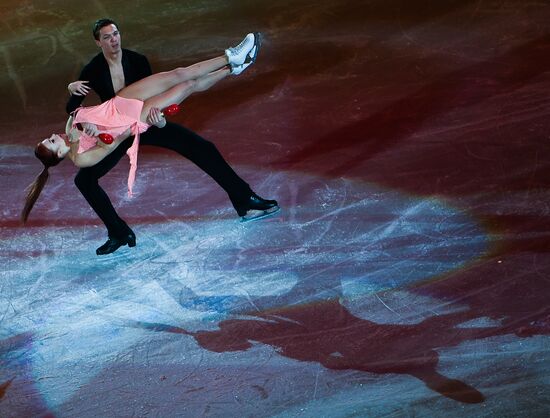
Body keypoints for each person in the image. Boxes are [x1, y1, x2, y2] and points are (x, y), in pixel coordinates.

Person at [25, 19, 279, 255]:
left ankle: (244, 199)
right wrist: (74, 93)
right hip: (122, 131)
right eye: (107, 37)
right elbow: (75, 107)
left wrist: (159, 121)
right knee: (84, 181)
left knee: (202, 145)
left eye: (116, 34)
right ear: (98, 42)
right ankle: (119, 232)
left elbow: (155, 99)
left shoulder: (137, 61)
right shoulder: (92, 70)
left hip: (141, 115)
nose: (114, 40)